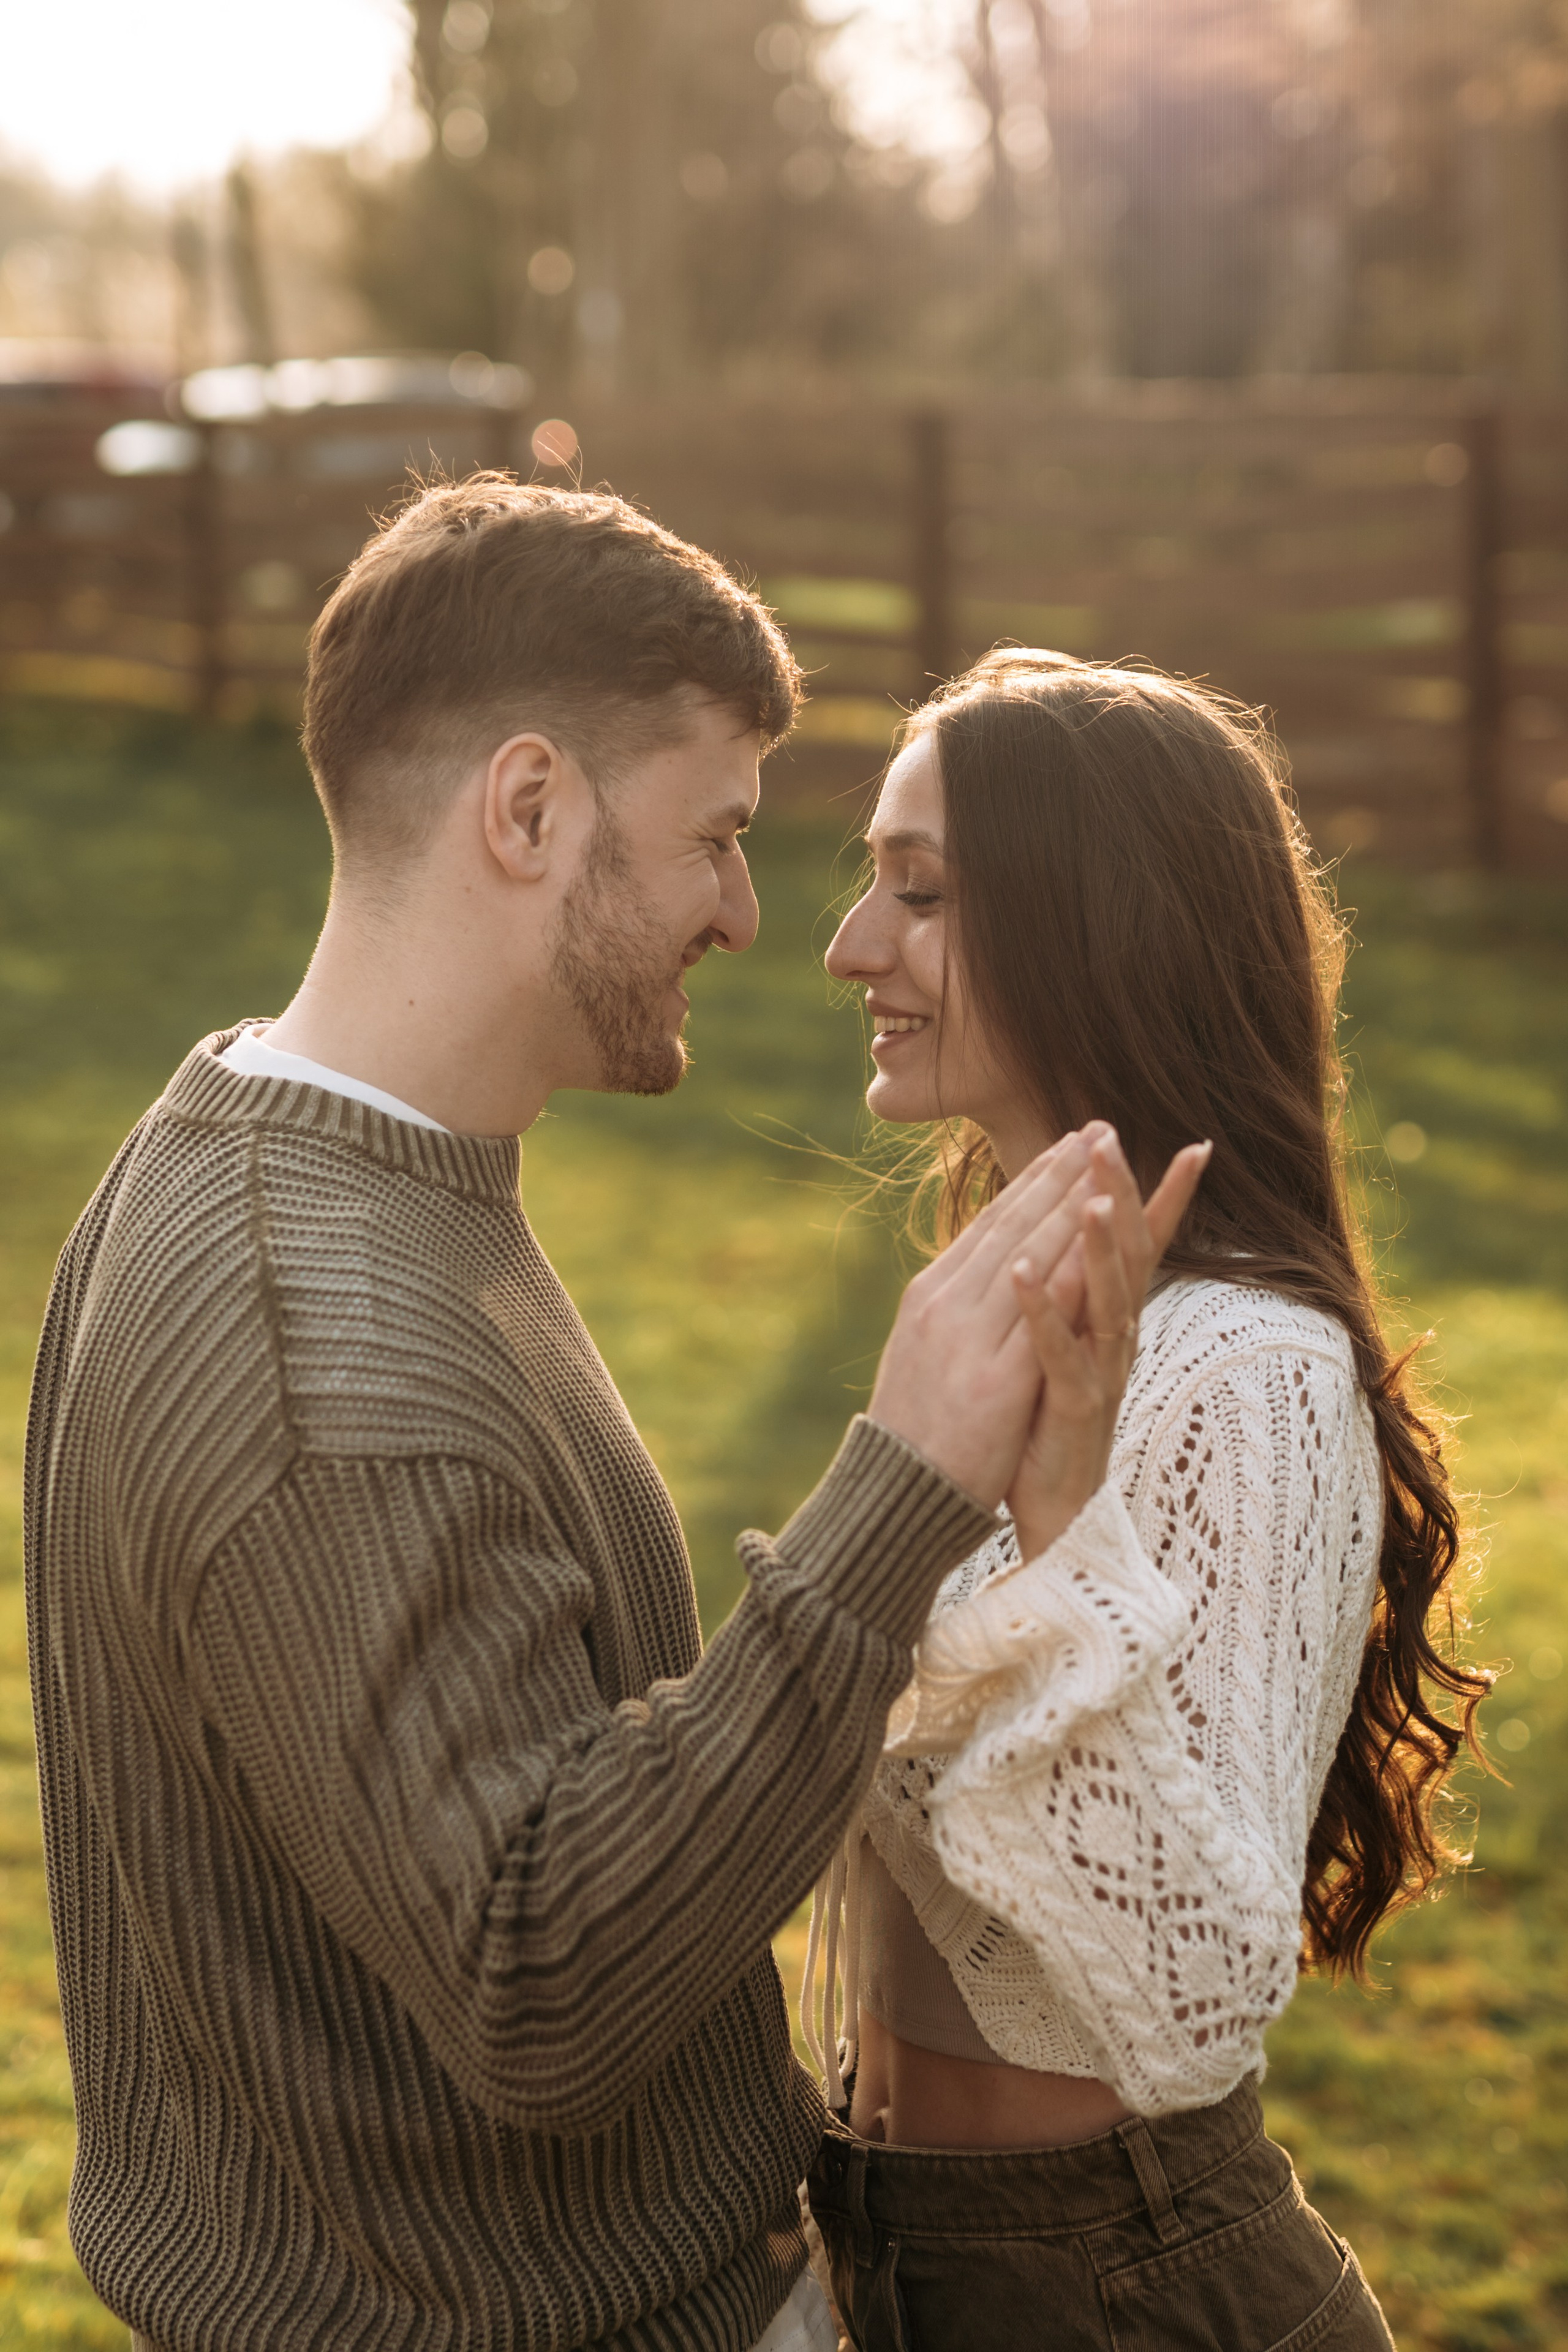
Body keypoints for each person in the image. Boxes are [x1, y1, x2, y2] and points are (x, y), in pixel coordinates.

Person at [23, 483, 1206, 2352]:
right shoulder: (313, 1343)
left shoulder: (309, 1173)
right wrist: (895, 1497)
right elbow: (539, 1983)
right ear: (528, 811)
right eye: (717, 837)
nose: (752, 915)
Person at [805, 649, 1488, 2350]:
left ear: (1091, 928)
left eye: (921, 894)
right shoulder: (1013, 1311)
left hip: (1119, 2288)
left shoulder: (1238, 1368)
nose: (849, 948)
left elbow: (1193, 1991)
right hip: (908, 2262)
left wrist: (1060, 1538)